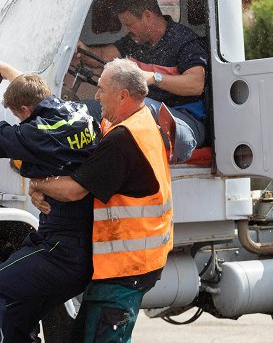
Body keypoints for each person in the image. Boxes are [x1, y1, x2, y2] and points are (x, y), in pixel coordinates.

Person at [0, 61, 100, 343]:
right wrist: (9, 72)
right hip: (80, 248)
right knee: (15, 321)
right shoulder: (76, 112)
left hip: (60, 249)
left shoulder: (37, 132)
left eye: (20, 116)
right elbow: (39, 93)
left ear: (25, 111)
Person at [28, 58, 173, 342]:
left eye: (101, 89)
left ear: (122, 96)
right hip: (133, 263)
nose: (95, 95)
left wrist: (36, 182)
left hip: (125, 267)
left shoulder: (123, 140)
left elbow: (74, 191)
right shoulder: (141, 119)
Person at [77, 0, 208, 163]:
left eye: (129, 24)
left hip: (186, 122)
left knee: (135, 104)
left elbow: (196, 84)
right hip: (144, 113)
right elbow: (101, 57)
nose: (126, 30)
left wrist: (154, 77)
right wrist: (81, 50)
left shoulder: (184, 41)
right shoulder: (133, 41)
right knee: (86, 109)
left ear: (147, 15)